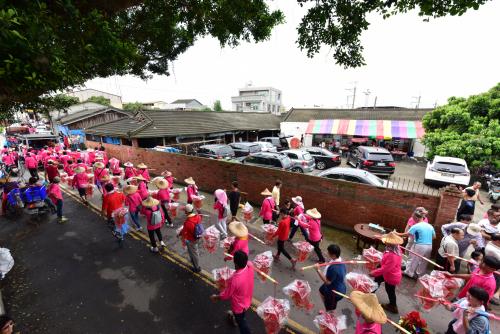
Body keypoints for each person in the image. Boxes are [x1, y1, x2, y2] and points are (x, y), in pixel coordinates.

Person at [210, 250, 254, 334]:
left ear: (236, 264)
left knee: (242, 323)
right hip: (247, 298)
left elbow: (226, 295)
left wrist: (216, 297)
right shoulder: (249, 265)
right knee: (242, 315)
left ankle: (237, 320)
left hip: (239, 305)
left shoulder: (235, 279)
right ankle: (234, 317)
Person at [370, 231, 403, 314]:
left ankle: (393, 306)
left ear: (390, 243)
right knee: (376, 281)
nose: (384, 241)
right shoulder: (396, 248)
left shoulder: (392, 255)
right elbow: (385, 238)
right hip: (389, 273)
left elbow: (385, 269)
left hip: (391, 276)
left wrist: (373, 272)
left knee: (390, 291)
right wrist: (377, 236)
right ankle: (370, 294)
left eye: (386, 241)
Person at [403, 210, 435, 279]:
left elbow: (407, 234)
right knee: (424, 261)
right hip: (429, 245)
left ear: (416, 218)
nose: (413, 220)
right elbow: (434, 237)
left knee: (413, 258)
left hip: (419, 245)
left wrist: (396, 234)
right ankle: (419, 274)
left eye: (413, 218)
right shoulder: (430, 226)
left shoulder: (416, 226)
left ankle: (409, 272)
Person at [316, 244, 346, 311]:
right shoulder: (340, 260)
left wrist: (318, 270)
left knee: (331, 310)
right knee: (321, 291)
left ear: (334, 255)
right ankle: (327, 306)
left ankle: (329, 313)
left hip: (335, 292)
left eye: (328, 252)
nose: (327, 253)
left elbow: (327, 282)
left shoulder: (334, 268)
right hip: (333, 283)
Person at [180, 204, 202, 272]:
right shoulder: (198, 216)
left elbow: (184, 232)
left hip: (192, 239)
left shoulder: (188, 222)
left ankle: (197, 267)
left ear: (186, 212)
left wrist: (180, 234)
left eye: (185, 211)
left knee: (195, 252)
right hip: (198, 236)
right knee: (193, 251)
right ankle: (193, 260)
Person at [484, 233, 500, 303]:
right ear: (497, 241)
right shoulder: (491, 249)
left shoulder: (493, 244)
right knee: (493, 285)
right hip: (494, 270)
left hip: (495, 270)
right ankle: (488, 299)